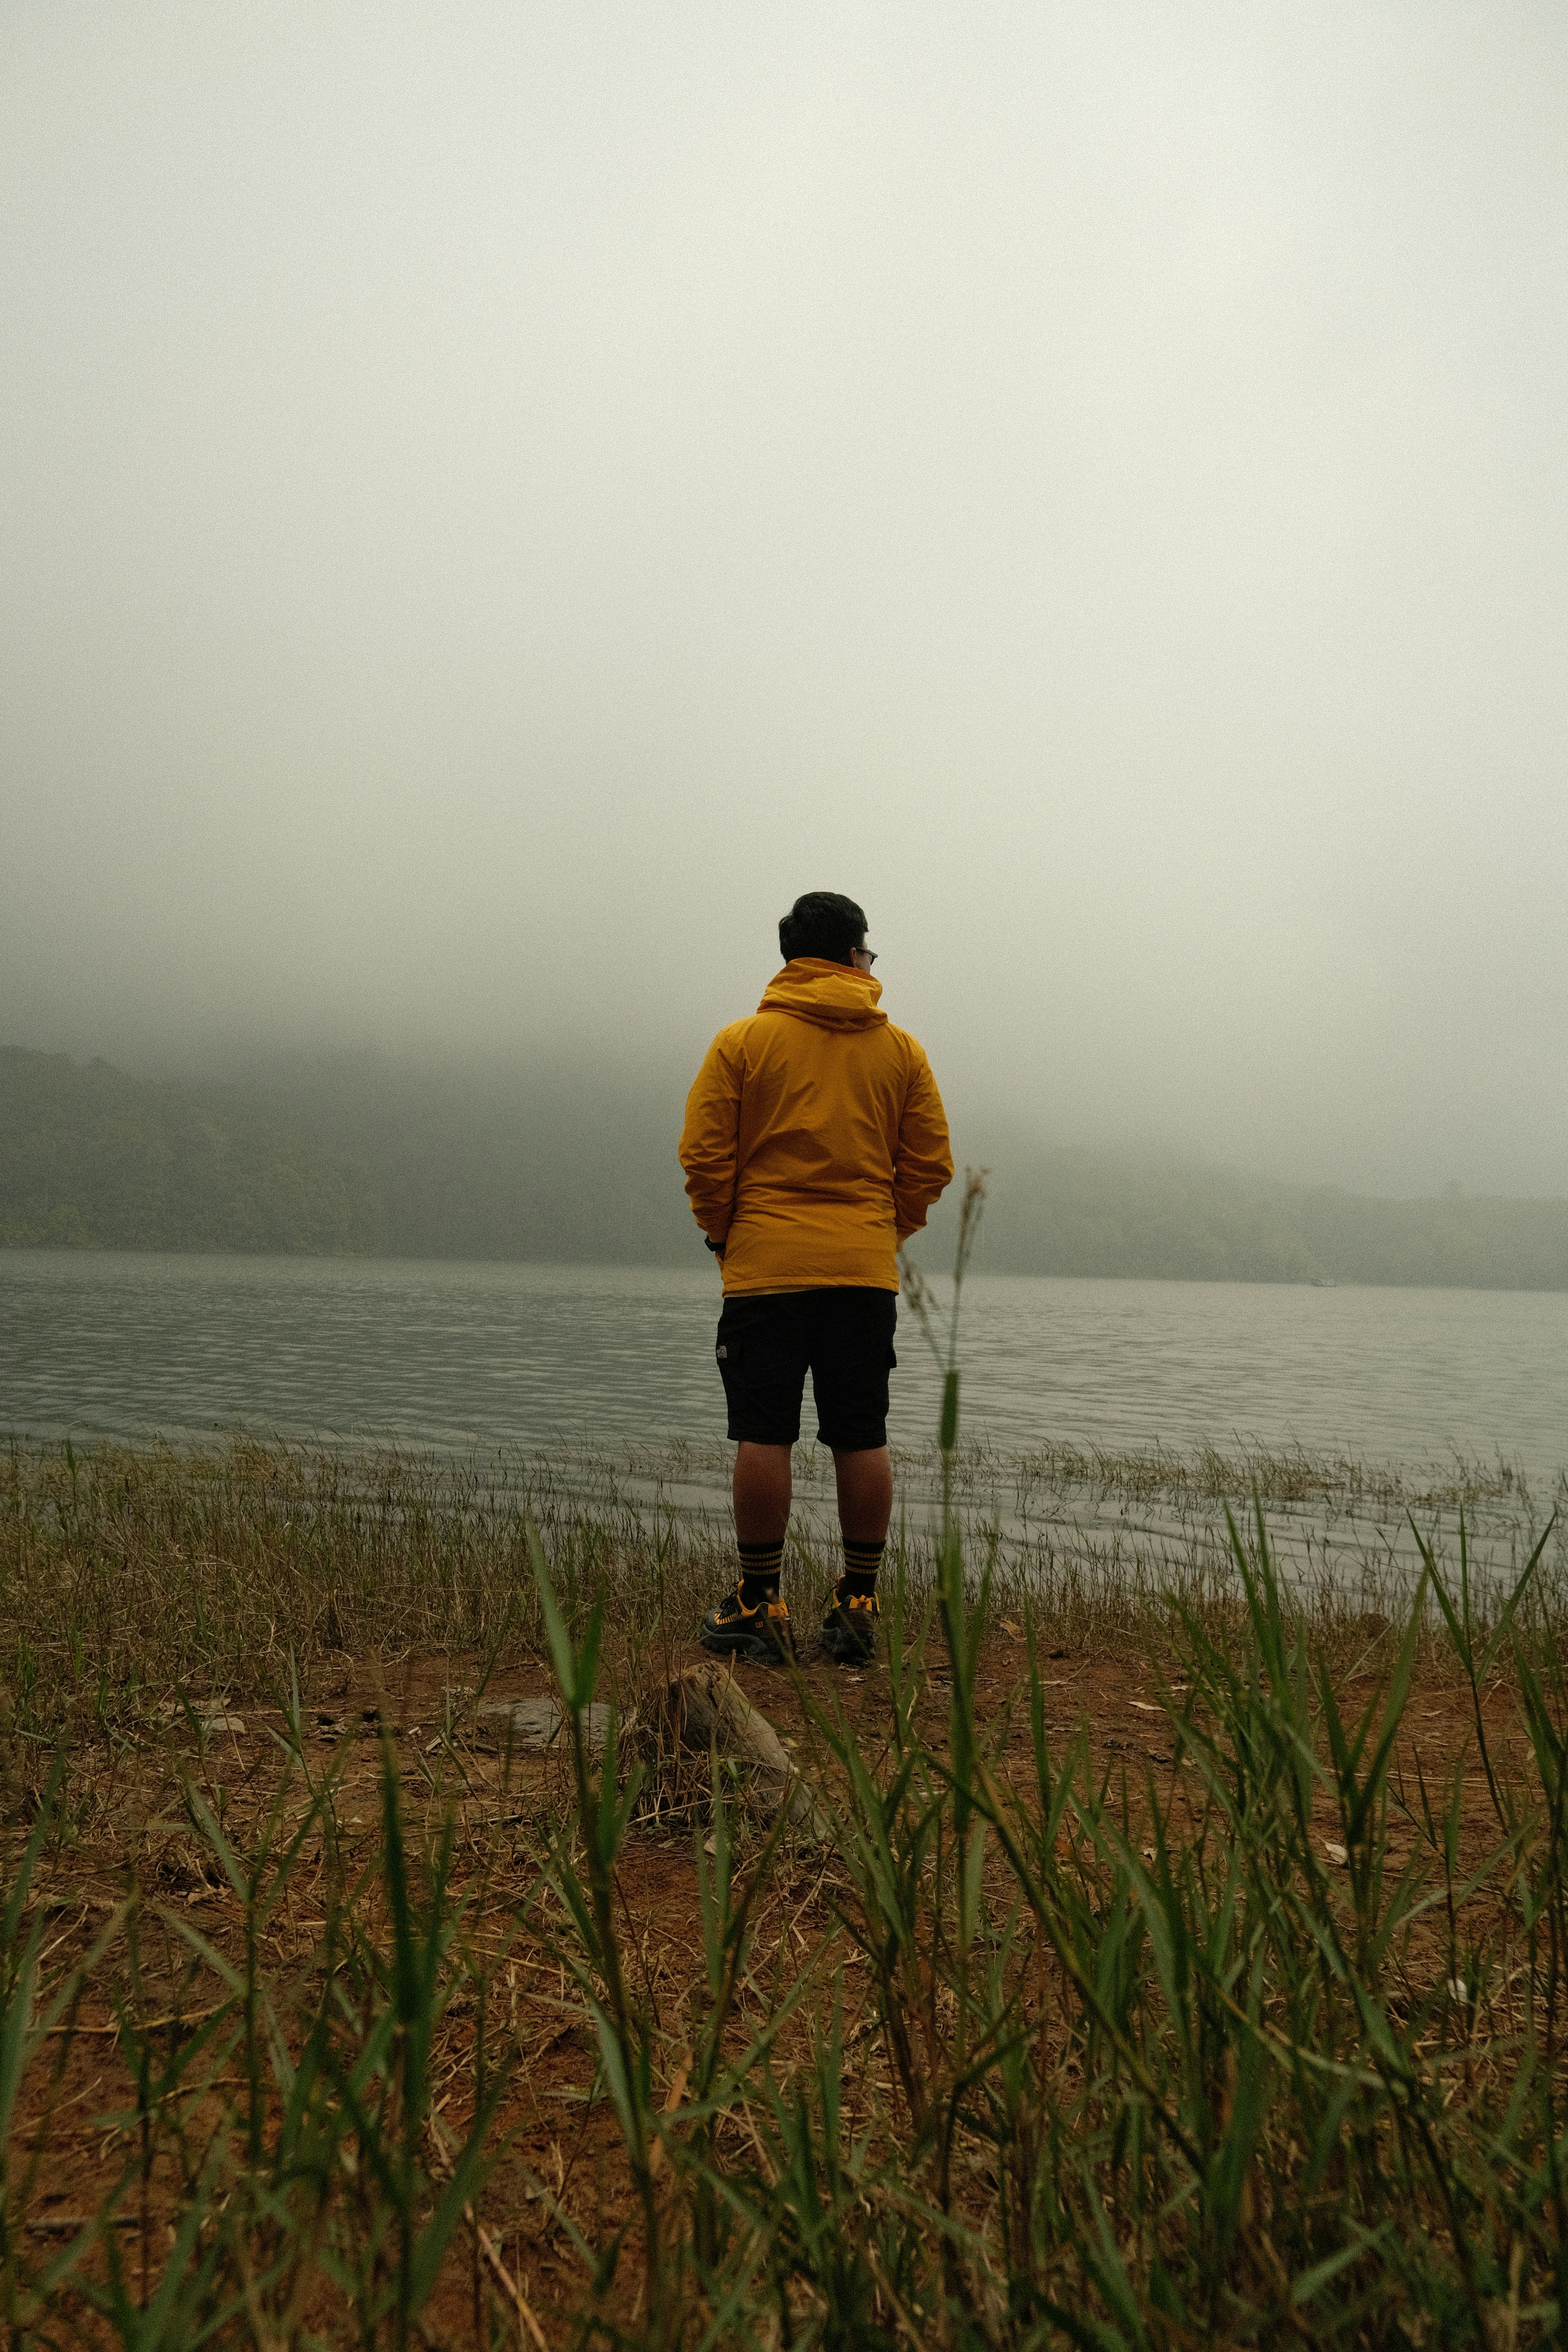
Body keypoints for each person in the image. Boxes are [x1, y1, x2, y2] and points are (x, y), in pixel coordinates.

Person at [678, 890, 953, 1664]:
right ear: (855, 954)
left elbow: (705, 1156)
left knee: (763, 1431)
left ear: (790, 957)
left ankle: (759, 1604)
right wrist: (880, 1231)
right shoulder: (901, 1052)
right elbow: (930, 1165)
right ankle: (857, 1601)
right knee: (860, 1434)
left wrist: (725, 1232)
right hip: (863, 1273)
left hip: (765, 1268)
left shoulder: (742, 1043)